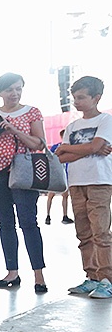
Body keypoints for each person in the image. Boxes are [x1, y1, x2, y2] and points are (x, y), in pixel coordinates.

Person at [0, 73, 48, 293]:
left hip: (23, 171)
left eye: (18, 89)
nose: (14, 93)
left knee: (28, 222)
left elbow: (38, 144)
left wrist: (13, 129)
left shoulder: (32, 112)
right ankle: (12, 272)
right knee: (5, 223)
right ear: (0, 92)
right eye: (9, 90)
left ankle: (39, 275)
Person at [55, 76, 112, 299]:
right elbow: (60, 156)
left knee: (101, 232)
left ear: (96, 98)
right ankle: (92, 277)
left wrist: (75, 148)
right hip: (76, 183)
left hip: (99, 182)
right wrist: (90, 148)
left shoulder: (105, 121)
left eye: (81, 97)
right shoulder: (72, 126)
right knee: (84, 232)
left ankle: (107, 279)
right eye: (74, 98)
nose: (76, 102)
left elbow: (97, 144)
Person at [46, 129, 74, 225]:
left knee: (53, 195)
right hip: (62, 172)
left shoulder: (56, 147)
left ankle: (49, 215)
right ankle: (63, 215)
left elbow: (49, 157)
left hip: (57, 172)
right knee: (63, 195)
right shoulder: (68, 147)